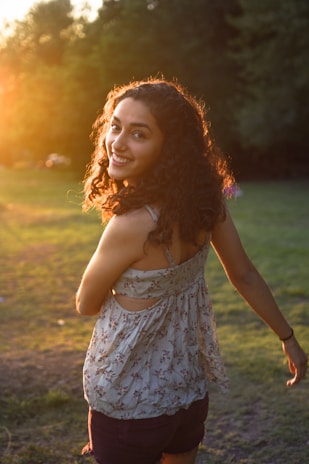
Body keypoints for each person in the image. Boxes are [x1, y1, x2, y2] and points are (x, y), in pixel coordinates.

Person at [76, 78, 307, 464]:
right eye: (115, 126)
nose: (117, 142)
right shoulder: (205, 205)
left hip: (126, 401)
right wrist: (288, 337)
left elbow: (85, 303)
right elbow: (244, 274)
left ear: (169, 148)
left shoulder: (131, 223)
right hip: (186, 393)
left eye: (139, 134)